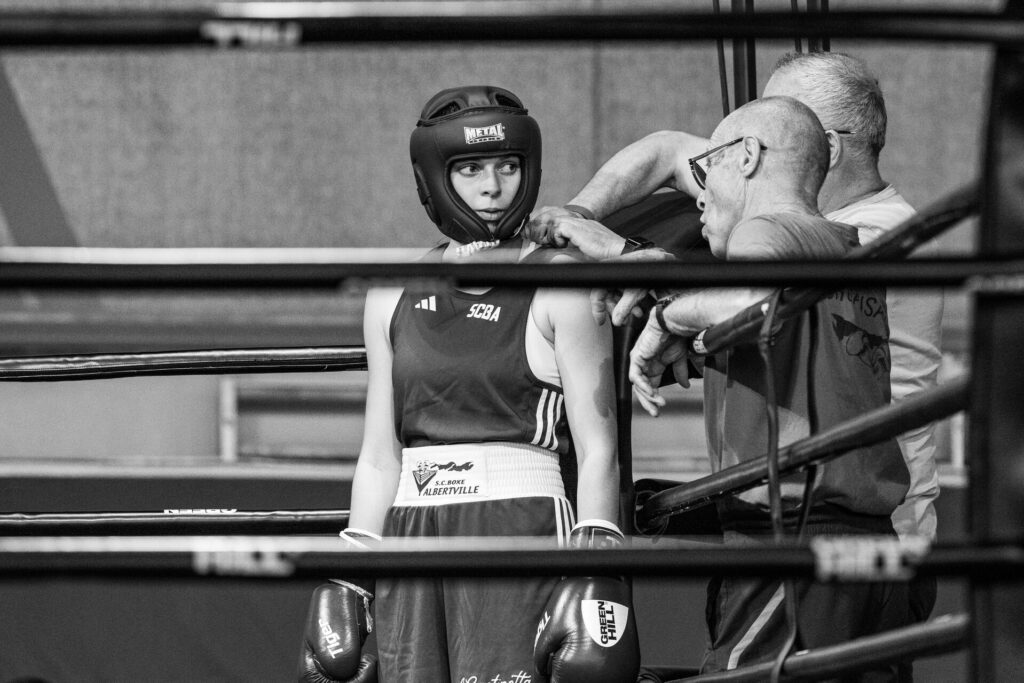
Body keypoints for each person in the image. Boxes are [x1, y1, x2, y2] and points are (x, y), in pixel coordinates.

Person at [529, 53, 944, 566]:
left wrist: (639, 274)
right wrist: (574, 219)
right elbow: (668, 149)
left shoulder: (871, 235)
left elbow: (753, 298)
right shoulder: (796, 211)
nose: (715, 179)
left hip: (859, 522)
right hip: (819, 507)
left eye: (779, 111)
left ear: (825, 147)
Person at [297, 85, 640, 683]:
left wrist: (597, 561)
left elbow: (598, 445)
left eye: (507, 166)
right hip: (410, 531)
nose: (493, 187)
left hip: (520, 524)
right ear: (436, 179)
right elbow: (381, 454)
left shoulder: (561, 282)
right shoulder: (391, 292)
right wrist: (349, 570)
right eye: (471, 169)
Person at [628, 95, 913, 678]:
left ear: (749, 156)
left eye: (706, 169)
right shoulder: (847, 247)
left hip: (790, 545)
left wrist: (666, 319)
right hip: (874, 551)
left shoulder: (764, 230)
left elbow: (750, 301)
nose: (699, 195)